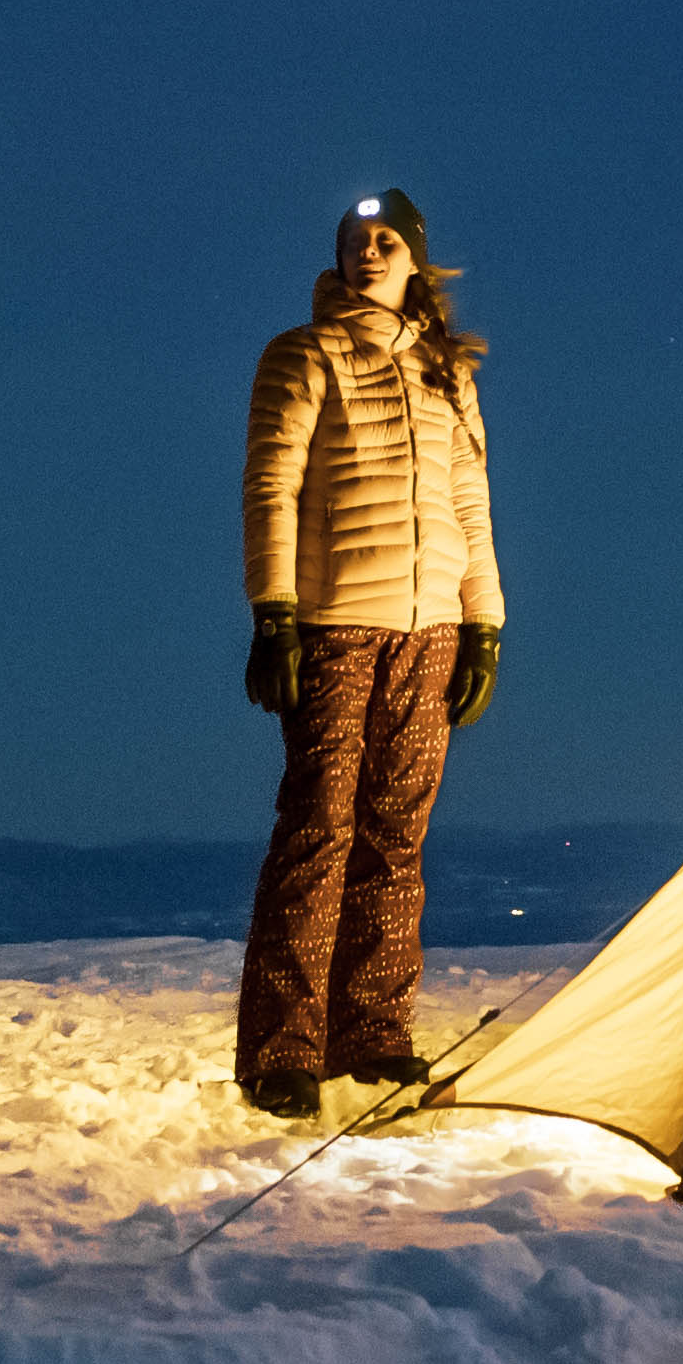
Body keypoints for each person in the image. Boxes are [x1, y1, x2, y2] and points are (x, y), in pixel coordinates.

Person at [231, 185, 503, 1118]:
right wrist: (274, 614)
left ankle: (373, 1033)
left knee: (397, 840)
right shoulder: (301, 356)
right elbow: (270, 483)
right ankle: (282, 1051)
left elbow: (472, 501)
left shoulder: (446, 373)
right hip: (339, 622)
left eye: (388, 240)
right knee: (318, 832)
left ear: (416, 259)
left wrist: (484, 625)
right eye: (357, 240)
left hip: (430, 635)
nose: (371, 251)